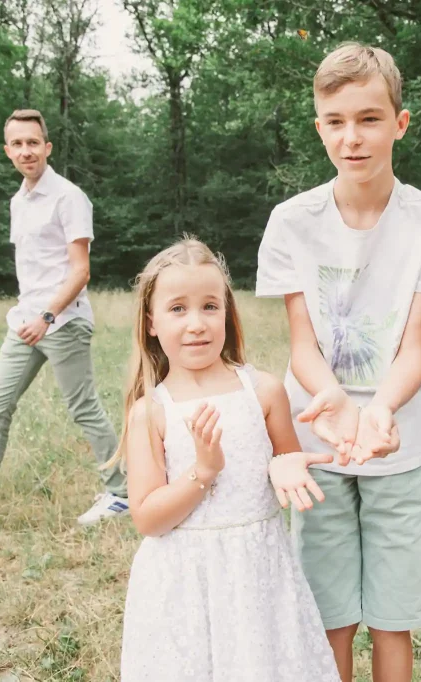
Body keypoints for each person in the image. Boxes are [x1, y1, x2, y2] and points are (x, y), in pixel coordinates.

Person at [255, 42, 421, 682]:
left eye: (370, 119)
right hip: (317, 437)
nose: (352, 137)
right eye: (337, 121)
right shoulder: (290, 221)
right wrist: (336, 402)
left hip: (398, 437)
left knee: (392, 615)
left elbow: (414, 346)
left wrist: (378, 409)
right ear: (319, 127)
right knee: (329, 611)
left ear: (399, 124)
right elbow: (302, 345)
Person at [114, 238, 340, 681]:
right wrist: (204, 471)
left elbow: (285, 458)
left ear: (227, 313)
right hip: (185, 584)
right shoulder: (151, 412)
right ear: (151, 322)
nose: (196, 324)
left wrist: (286, 465)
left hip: (258, 575)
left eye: (209, 306)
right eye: (178, 309)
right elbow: (148, 518)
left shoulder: (263, 392)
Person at [0, 109, 127, 532]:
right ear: (7, 151)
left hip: (63, 322)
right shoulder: (18, 201)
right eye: (17, 144)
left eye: (33, 142)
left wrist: (48, 316)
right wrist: (32, 318)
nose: (25, 151)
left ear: (47, 147)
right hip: (25, 324)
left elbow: (80, 271)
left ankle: (122, 494)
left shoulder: (69, 197)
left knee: (83, 407)